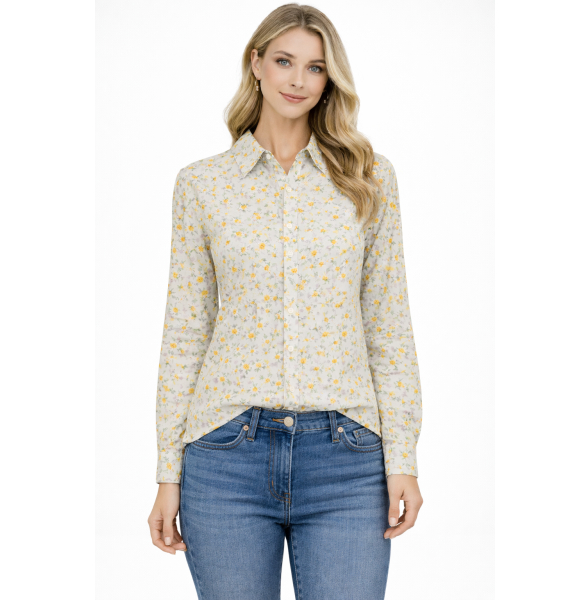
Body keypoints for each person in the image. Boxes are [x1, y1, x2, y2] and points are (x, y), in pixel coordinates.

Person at [147, 4, 423, 598]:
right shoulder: (202, 184)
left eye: (315, 67)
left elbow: (388, 324)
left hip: (347, 457)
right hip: (226, 455)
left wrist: (403, 457)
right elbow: (186, 331)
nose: (298, 80)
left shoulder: (370, 178)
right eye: (284, 61)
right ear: (256, 64)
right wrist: (168, 472)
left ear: (329, 79)